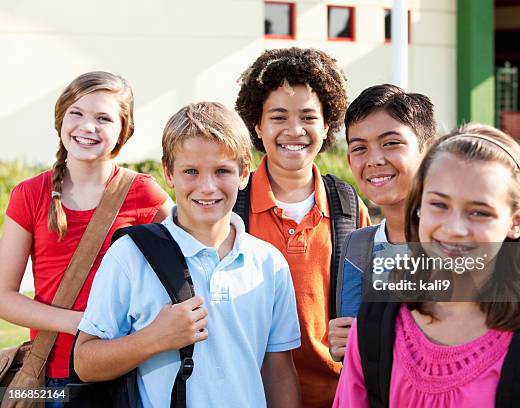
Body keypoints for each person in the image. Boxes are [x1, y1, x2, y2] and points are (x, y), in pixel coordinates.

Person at [333, 124, 520, 407]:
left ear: (516, 221)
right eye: (439, 204)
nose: (454, 228)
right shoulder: (376, 322)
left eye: (479, 212)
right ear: (418, 207)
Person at [73, 101, 301, 408]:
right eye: (190, 171)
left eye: (222, 171)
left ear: (244, 172)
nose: (207, 187)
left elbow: (279, 373)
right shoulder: (129, 256)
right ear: (169, 172)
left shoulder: (268, 263)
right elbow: (85, 362)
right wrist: (155, 338)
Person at [0, 71, 171, 397]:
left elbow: (193, 246)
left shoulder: (143, 192)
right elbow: (4, 297)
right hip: (51, 377)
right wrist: (82, 323)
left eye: (103, 118)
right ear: (60, 120)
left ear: (123, 130)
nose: (87, 127)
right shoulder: (29, 194)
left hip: (124, 371)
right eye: (76, 113)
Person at [234, 47, 371, 407]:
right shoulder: (231, 205)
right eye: (278, 117)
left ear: (327, 126)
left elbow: (378, 303)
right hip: (250, 395)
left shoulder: (348, 207)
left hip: (337, 394)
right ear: (257, 125)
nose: (294, 130)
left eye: (308, 117)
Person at [328, 84, 437, 362]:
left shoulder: (460, 244)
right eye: (360, 148)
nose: (374, 160)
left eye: (391, 143)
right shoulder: (358, 246)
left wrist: (372, 337)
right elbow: (350, 345)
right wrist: (346, 344)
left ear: (429, 151)